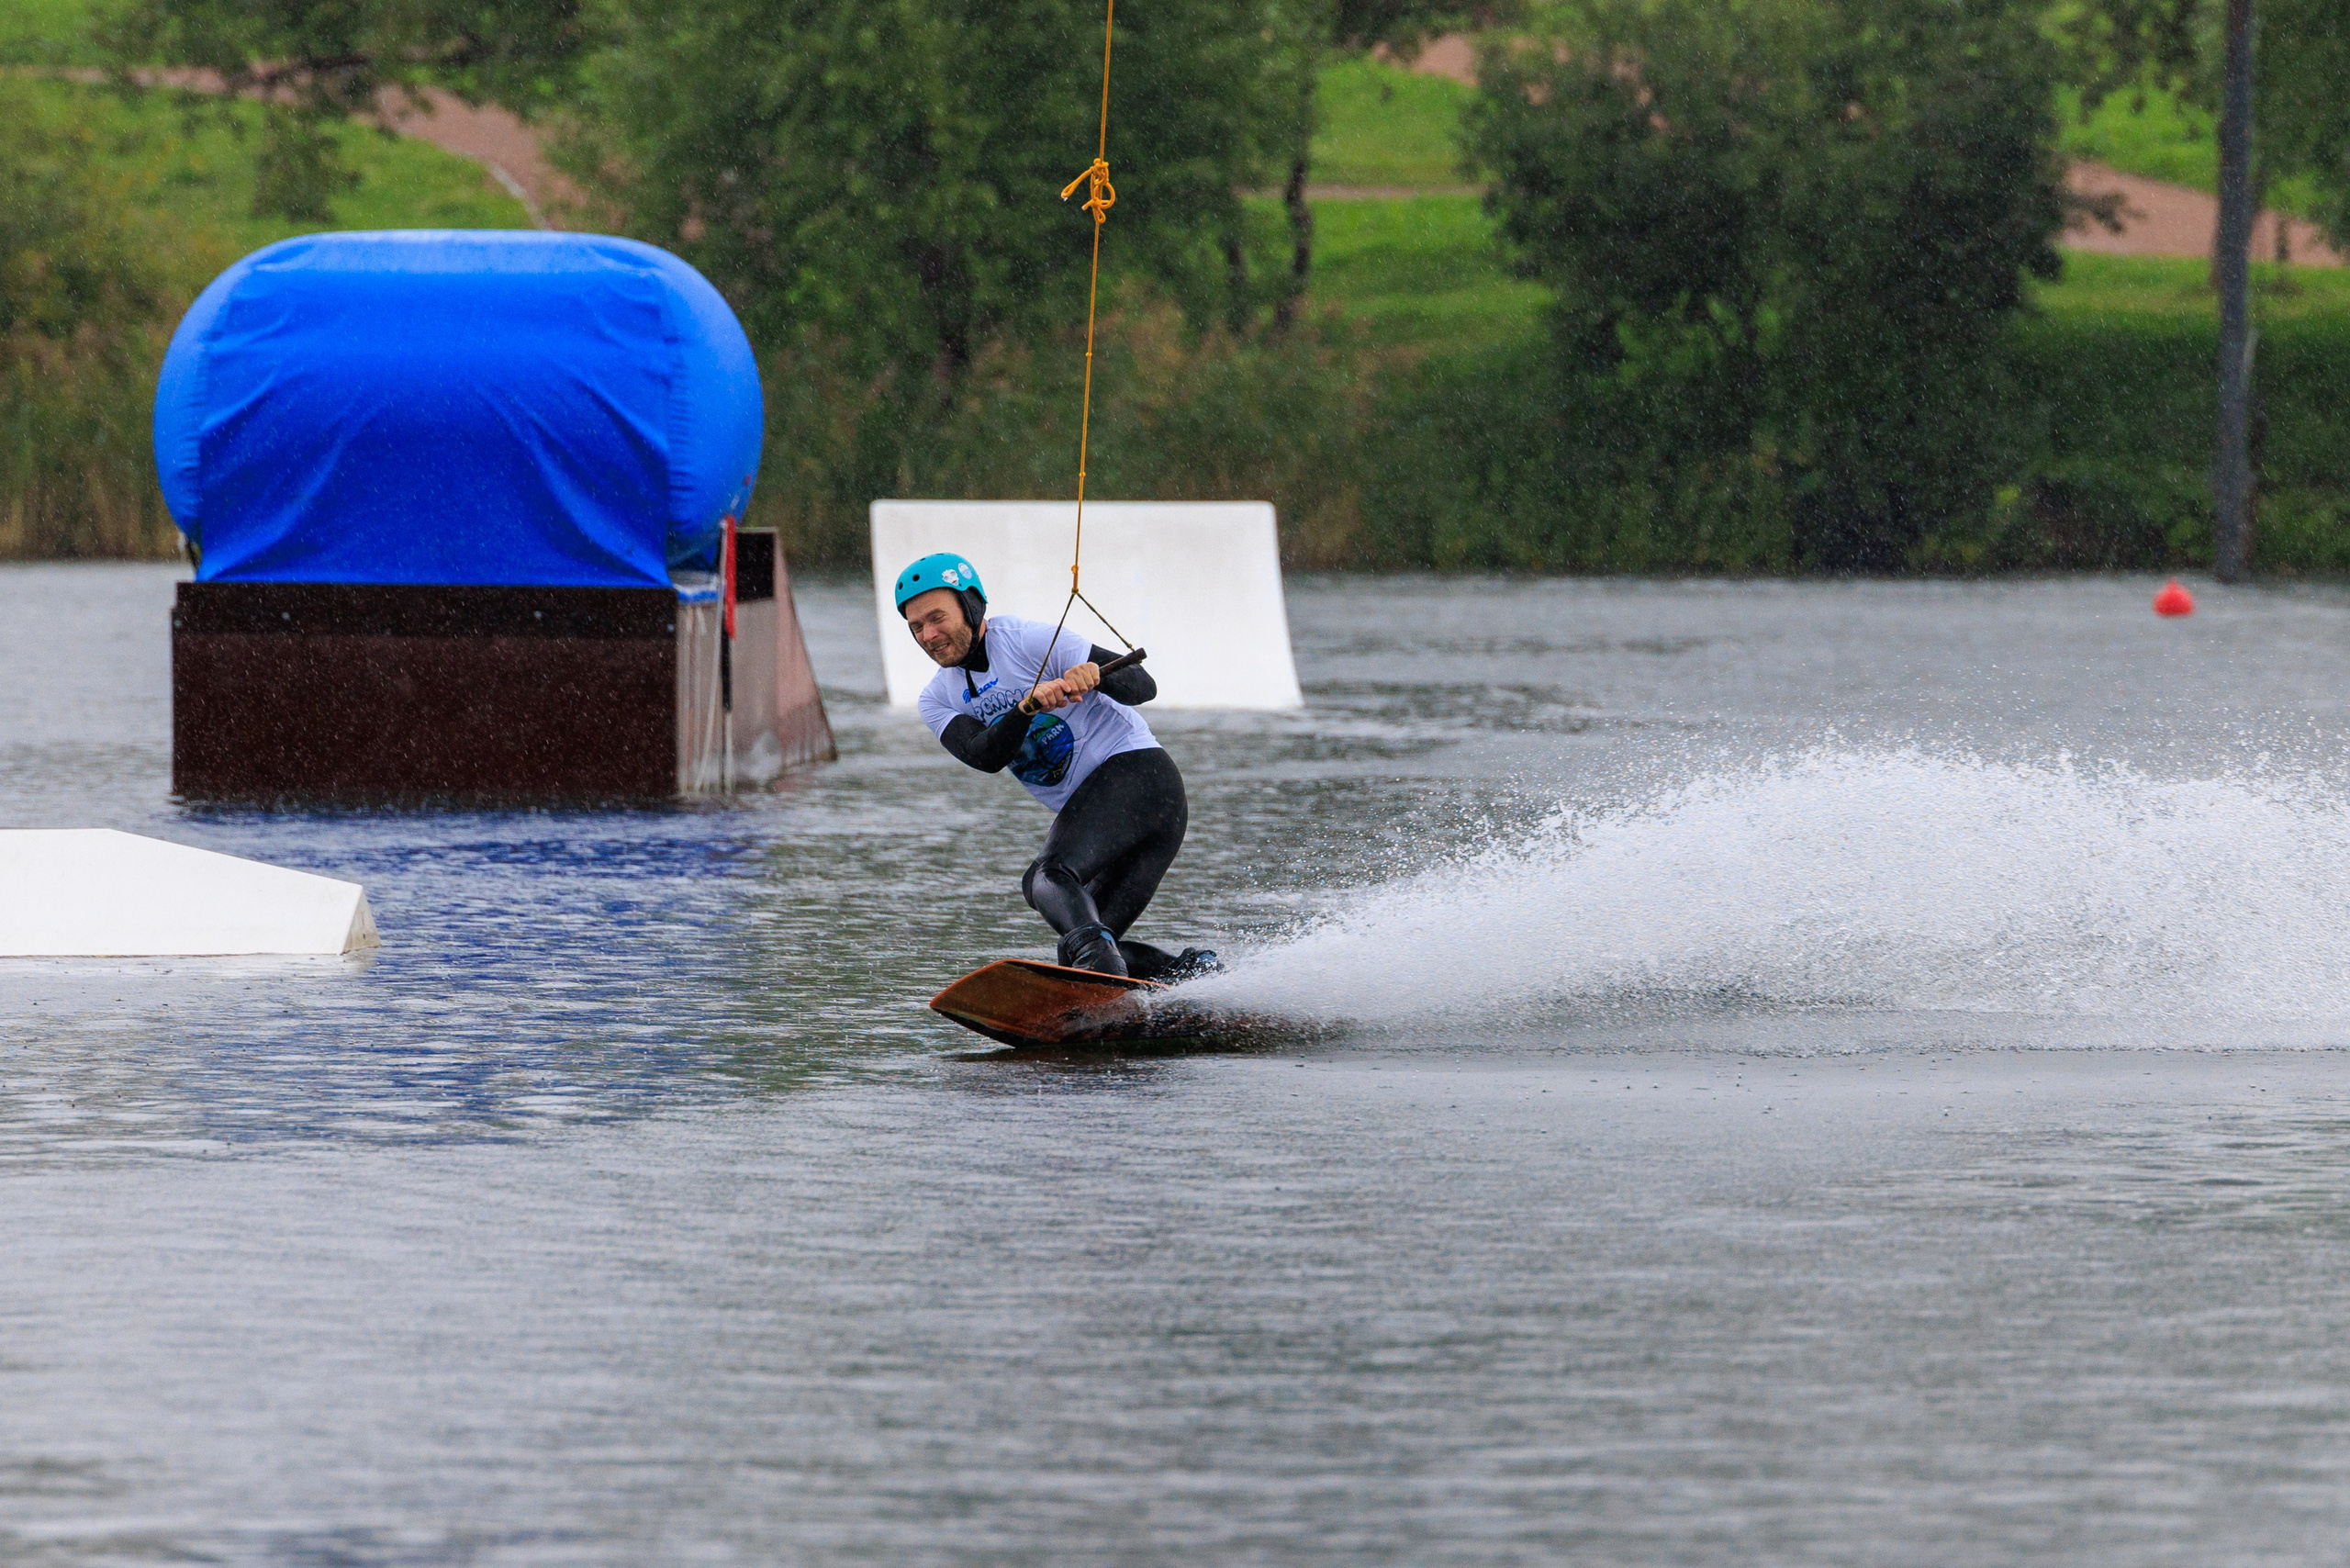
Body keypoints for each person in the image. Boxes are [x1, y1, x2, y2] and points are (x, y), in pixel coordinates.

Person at [898, 552, 1216, 981]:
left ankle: (1104, 972)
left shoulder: (1029, 641)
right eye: (917, 626)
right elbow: (986, 755)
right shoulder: (936, 699)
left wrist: (1096, 675)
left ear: (971, 606)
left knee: (1047, 877)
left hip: (1142, 780)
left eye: (937, 618)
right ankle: (1191, 978)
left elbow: (1143, 685)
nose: (929, 635)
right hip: (1120, 813)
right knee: (1082, 956)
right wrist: (1025, 708)